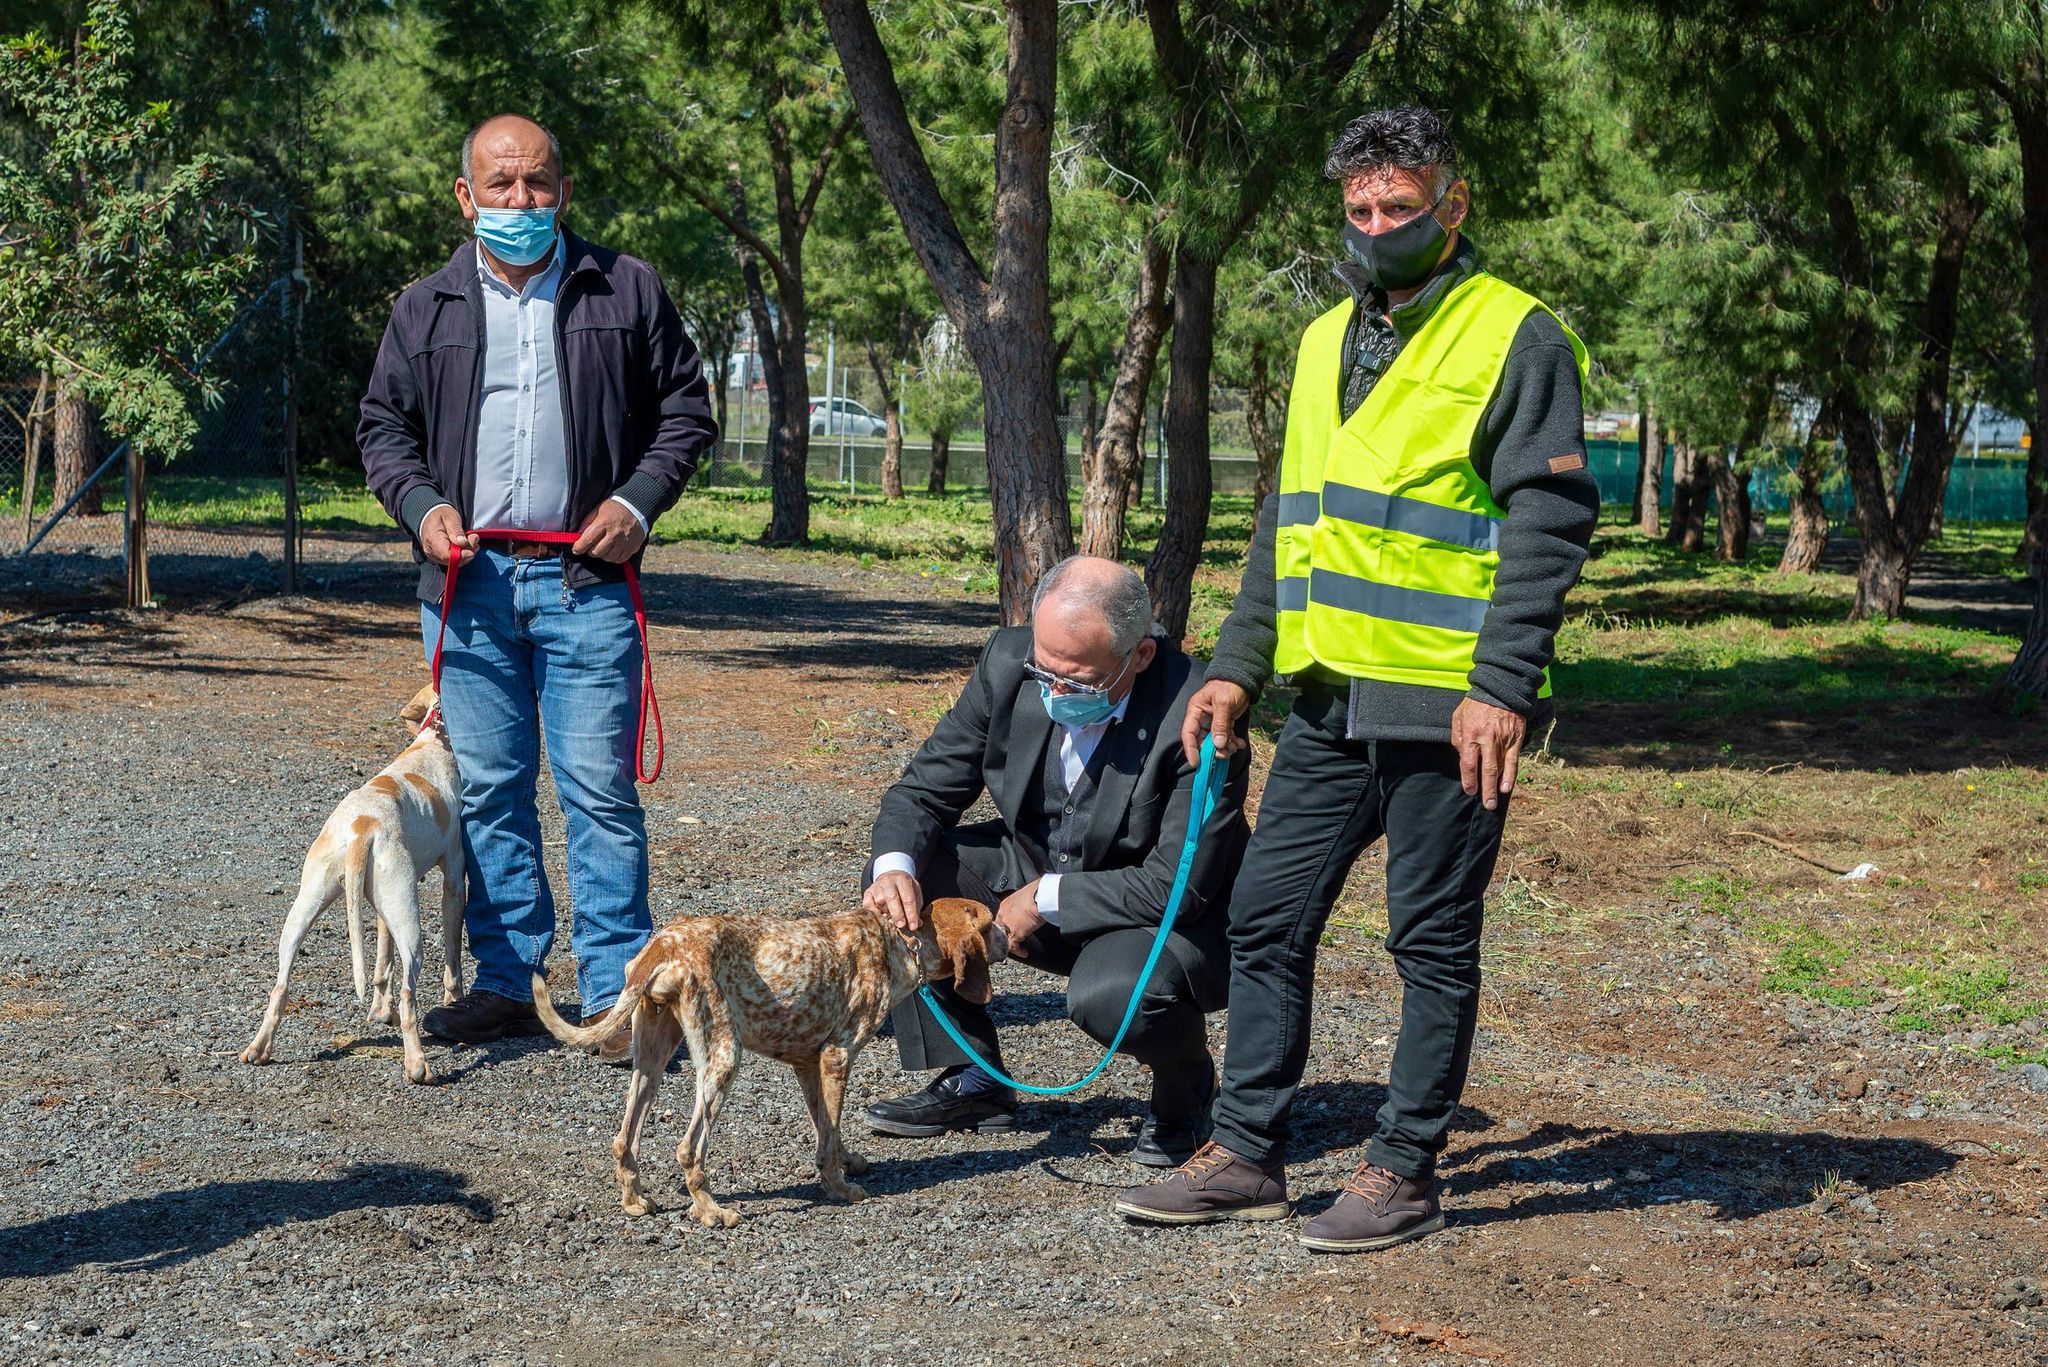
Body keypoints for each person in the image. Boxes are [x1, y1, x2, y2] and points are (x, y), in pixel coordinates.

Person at [1116, 106, 1598, 1248]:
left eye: (1400, 206)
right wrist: (1237, 666)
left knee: (1427, 940)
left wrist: (1503, 685)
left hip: (1450, 705)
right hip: (1329, 699)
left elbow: (1548, 522)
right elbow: (1289, 521)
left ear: (1452, 203)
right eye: (1359, 210)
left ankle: (1403, 1168)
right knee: (1263, 917)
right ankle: (1245, 1150)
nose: (1377, 227)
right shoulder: (1323, 338)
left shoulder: (1516, 335)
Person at [359, 113, 717, 1059]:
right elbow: (382, 428)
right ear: (466, 197)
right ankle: (510, 982)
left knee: (600, 791)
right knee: (490, 791)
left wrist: (638, 503)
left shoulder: (626, 287)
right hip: (466, 587)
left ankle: (615, 994)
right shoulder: (424, 307)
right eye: (502, 184)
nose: (521, 201)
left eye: (539, 183)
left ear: (564, 191)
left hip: (588, 583)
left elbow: (685, 412)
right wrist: (422, 507)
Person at [862, 556, 1250, 1165]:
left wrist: (1046, 897)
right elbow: (923, 792)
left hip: (1162, 917)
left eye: (1079, 681)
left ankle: (1186, 1094)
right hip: (1037, 869)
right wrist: (892, 866)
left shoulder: (1196, 714)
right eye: (1045, 672)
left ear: (1140, 656)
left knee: (1113, 995)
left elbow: (1179, 884)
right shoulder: (1008, 661)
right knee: (902, 880)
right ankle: (973, 1076)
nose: (1055, 693)